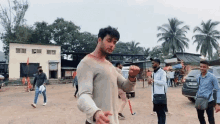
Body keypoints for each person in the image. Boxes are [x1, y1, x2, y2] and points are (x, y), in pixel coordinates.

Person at [76, 26, 140, 124]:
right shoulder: (87, 63)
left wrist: (132, 77)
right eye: (109, 40)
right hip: (97, 121)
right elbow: (83, 96)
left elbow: (125, 87)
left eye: (114, 42)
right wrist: (95, 112)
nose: (112, 45)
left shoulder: (109, 65)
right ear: (99, 40)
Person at [148, 58, 167, 124]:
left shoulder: (162, 72)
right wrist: (150, 82)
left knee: (162, 113)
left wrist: (154, 81)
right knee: (158, 113)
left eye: (154, 63)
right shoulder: (153, 73)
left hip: (160, 95)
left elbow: (163, 82)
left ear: (158, 64)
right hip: (155, 95)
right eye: (152, 63)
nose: (152, 64)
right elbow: (153, 84)